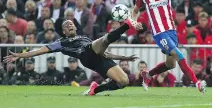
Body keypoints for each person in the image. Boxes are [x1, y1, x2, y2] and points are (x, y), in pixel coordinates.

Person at [4, 17, 141, 95]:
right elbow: (40, 50)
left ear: (75, 28)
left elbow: (103, 52)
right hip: (86, 56)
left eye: (71, 24)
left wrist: (124, 58)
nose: (69, 25)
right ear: (64, 31)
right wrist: (20, 55)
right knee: (103, 40)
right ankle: (127, 25)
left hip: (99, 58)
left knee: (124, 82)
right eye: (66, 25)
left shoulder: (85, 38)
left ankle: (95, 89)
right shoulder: (61, 43)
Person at [132, 0, 206, 93]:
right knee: (180, 55)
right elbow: (135, 10)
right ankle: (197, 83)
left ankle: (147, 75)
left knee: (170, 64)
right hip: (159, 34)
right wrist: (134, 22)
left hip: (172, 32)